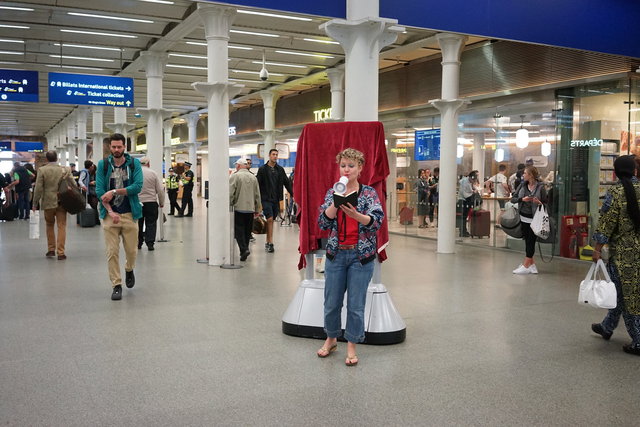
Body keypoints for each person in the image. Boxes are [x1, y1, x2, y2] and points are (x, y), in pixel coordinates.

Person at [316, 148, 384, 366]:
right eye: (343, 165)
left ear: (360, 168)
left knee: (356, 304)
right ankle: (331, 339)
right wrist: (334, 205)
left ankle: (352, 345)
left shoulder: (369, 193)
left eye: (351, 166)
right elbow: (322, 223)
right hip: (336, 255)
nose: (346, 169)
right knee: (331, 302)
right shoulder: (332, 192)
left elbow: (377, 222)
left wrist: (357, 216)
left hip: (360, 257)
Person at [590, 155, 640, 356]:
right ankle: (607, 326)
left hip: (623, 255)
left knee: (629, 297)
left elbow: (606, 224)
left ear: (616, 172)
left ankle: (638, 341)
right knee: (620, 293)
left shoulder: (616, 192)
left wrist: (597, 248)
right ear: (635, 171)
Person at [96, 133, 143, 301]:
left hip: (130, 214)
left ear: (124, 147)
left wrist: (115, 191)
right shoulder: (102, 165)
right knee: (112, 252)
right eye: (113, 147)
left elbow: (137, 186)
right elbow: (100, 191)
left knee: (131, 251)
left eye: (119, 147)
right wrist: (110, 211)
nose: (116, 150)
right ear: (110, 147)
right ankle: (116, 285)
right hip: (110, 216)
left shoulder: (134, 164)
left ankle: (129, 269)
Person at [32, 151, 69, 260]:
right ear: (57, 158)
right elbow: (72, 183)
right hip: (62, 201)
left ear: (47, 159)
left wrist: (34, 203)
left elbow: (38, 188)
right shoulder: (64, 170)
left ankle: (51, 249)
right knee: (61, 226)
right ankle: (61, 252)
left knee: (49, 225)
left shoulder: (42, 170)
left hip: (48, 202)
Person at [510, 165, 547, 274]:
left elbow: (546, 203)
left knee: (531, 241)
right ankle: (531, 265)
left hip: (535, 218)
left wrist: (539, 203)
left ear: (530, 175)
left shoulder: (540, 187)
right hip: (523, 217)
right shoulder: (522, 186)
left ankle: (526, 265)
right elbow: (513, 199)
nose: (523, 175)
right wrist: (522, 199)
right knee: (527, 241)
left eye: (525, 173)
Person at [256, 148, 293, 253]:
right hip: (265, 199)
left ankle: (267, 241)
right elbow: (257, 185)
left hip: (276, 199)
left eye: (276, 154)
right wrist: (257, 201)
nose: (275, 156)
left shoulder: (280, 170)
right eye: (273, 154)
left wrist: (294, 195)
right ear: (269, 156)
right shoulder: (262, 169)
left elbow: (287, 183)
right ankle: (271, 242)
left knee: (271, 220)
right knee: (270, 219)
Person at [229, 158, 261, 261]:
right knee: (247, 231)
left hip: (239, 208)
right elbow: (257, 195)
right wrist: (257, 208)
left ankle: (244, 249)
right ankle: (244, 251)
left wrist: (229, 205)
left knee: (239, 231)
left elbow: (231, 193)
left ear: (238, 166)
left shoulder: (235, 176)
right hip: (250, 209)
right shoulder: (253, 178)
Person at [137, 157, 165, 251]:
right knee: (151, 223)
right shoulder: (153, 173)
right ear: (148, 163)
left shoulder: (134, 174)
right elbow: (160, 190)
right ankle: (150, 243)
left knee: (138, 223)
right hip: (151, 202)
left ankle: (138, 243)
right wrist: (161, 202)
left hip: (138, 203)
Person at [458, 170, 479, 237]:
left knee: (465, 216)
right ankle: (462, 231)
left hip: (467, 200)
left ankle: (464, 231)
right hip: (463, 200)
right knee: (463, 217)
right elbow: (465, 194)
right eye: (473, 180)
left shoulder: (469, 181)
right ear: (470, 177)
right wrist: (473, 192)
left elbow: (471, 189)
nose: (473, 182)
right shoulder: (465, 182)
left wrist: (474, 190)